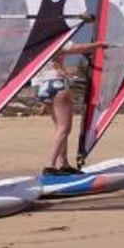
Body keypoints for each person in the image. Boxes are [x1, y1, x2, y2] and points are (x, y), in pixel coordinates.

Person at [32, 40, 106, 175]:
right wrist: (98, 44)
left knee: (59, 129)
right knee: (64, 128)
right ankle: (49, 166)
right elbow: (78, 48)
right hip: (56, 83)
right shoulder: (59, 37)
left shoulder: (39, 42)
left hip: (40, 87)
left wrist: (45, 103)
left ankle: (63, 164)